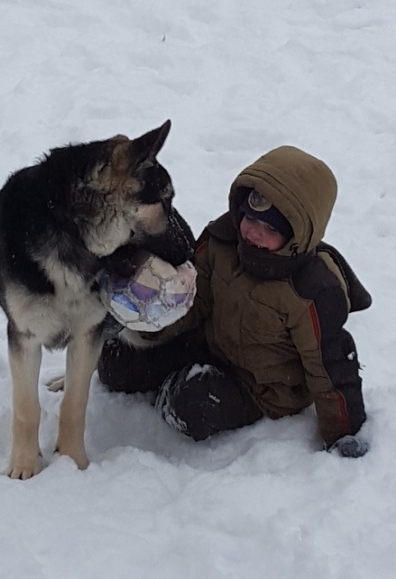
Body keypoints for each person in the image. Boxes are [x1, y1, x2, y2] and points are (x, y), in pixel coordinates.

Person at [99, 145, 372, 457]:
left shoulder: (311, 290)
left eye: (270, 229)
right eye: (251, 219)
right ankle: (178, 373)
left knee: (194, 403)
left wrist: (343, 432)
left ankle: (173, 390)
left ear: (297, 236)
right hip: (212, 346)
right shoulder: (223, 241)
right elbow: (192, 298)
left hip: (260, 389)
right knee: (115, 362)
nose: (253, 233)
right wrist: (150, 326)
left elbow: (331, 365)